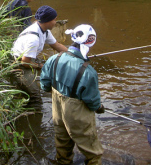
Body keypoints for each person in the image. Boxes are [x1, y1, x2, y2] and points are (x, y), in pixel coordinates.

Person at [40, 24, 104, 165]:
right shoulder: (89, 72)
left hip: (57, 108)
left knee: (62, 142)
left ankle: (63, 162)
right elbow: (92, 101)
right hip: (76, 113)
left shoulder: (54, 59)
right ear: (90, 42)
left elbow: (44, 84)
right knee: (92, 150)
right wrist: (99, 107)